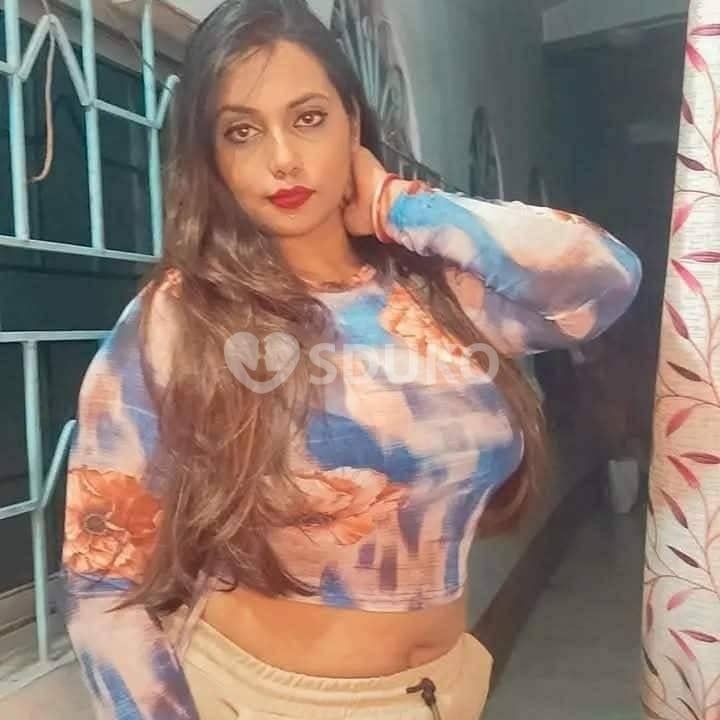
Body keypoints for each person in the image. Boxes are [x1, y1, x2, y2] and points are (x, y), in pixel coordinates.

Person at [61, 1, 642, 718]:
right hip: (265, 701)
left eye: (308, 118)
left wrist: (398, 205)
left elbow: (605, 279)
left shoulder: (436, 290)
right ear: (213, 159)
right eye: (242, 131)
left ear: (353, 127)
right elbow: (103, 583)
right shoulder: (184, 316)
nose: (282, 158)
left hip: (444, 691)